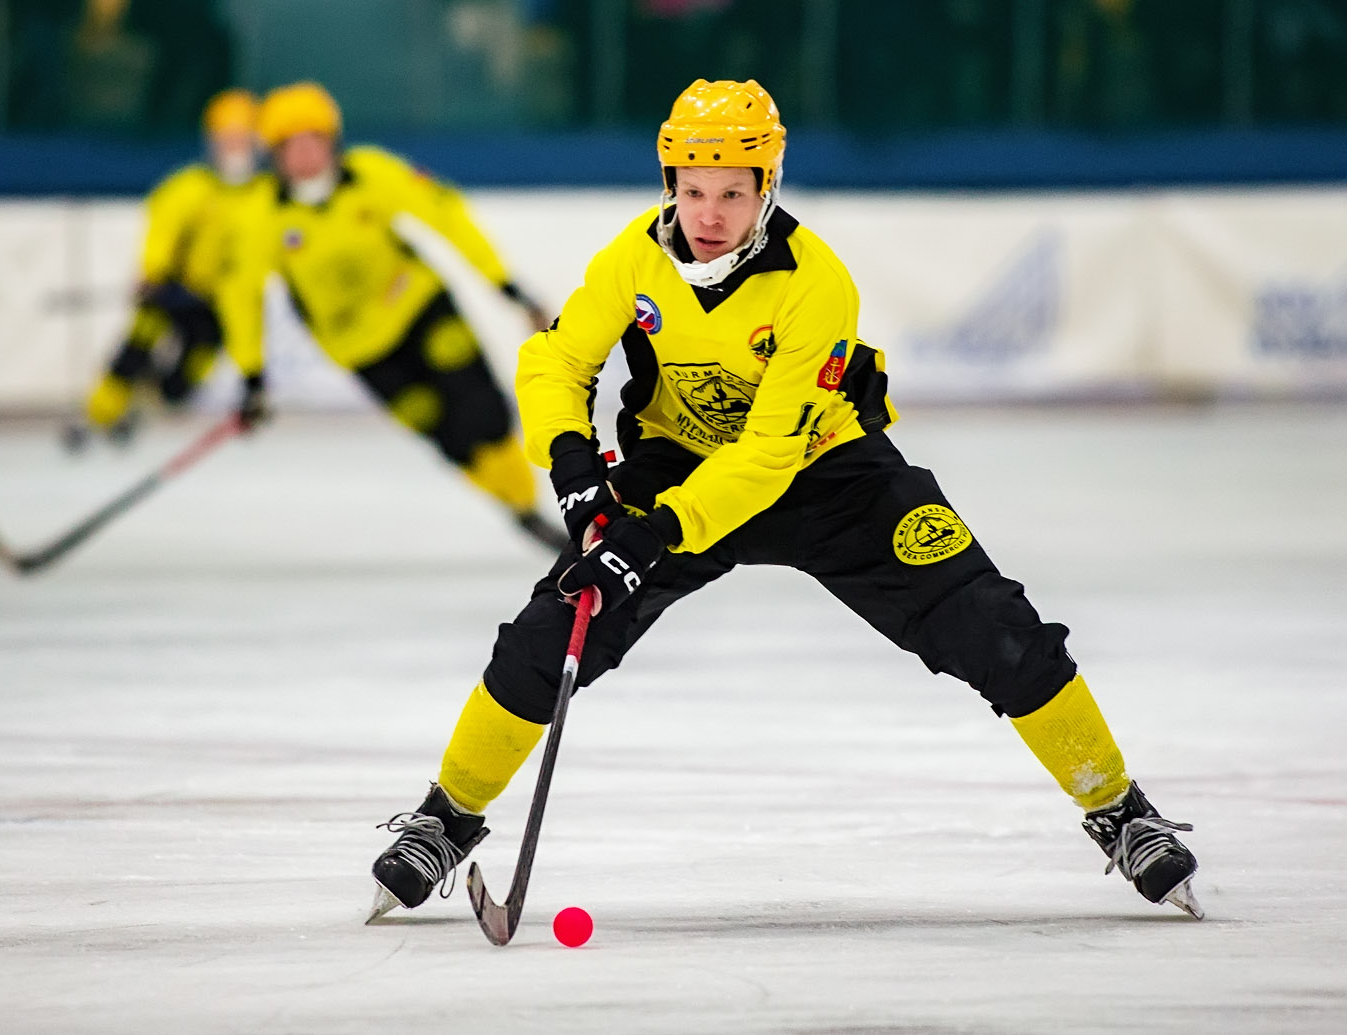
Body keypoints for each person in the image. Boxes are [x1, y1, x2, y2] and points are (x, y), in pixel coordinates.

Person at [367, 79, 1202, 923]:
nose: (709, 213)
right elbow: (555, 361)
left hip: (827, 476)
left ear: (767, 186)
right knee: (554, 627)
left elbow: (767, 455)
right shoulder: (636, 255)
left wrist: (652, 535)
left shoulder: (816, 283)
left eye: (733, 192)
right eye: (692, 190)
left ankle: (1121, 810)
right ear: (669, 184)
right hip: (677, 462)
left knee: (994, 625)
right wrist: (577, 471)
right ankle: (446, 819)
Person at [217, 82, 566, 550]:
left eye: (313, 142)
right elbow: (241, 296)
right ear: (273, 154)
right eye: (290, 146)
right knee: (449, 436)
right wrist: (251, 374)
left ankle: (524, 500)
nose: (304, 156)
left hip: (418, 307)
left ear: (332, 142)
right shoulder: (261, 215)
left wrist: (505, 285)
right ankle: (521, 511)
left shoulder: (372, 173)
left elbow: (446, 216)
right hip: (359, 347)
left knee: (484, 413)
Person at [66, 88, 270, 450]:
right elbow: (161, 233)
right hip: (173, 290)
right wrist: (154, 273)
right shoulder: (188, 187)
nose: (234, 148)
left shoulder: (266, 196)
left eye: (241, 140)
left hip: (217, 305)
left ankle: (143, 408)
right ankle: (97, 414)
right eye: (227, 139)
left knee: (188, 376)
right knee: (137, 347)